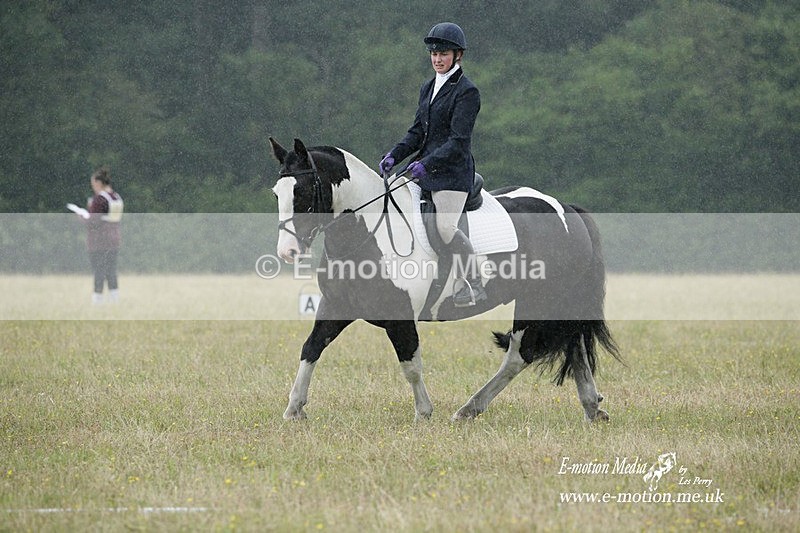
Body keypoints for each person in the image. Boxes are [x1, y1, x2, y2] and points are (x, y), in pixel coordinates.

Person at [379, 22, 486, 307]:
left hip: (452, 174)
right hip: (423, 170)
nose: (437, 59)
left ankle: (474, 281)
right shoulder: (428, 87)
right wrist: (395, 154)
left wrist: (426, 164)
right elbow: (417, 132)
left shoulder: (467, 91)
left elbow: (458, 141)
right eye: (434, 54)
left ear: (458, 55)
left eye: (444, 54)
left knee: (445, 227)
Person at [83, 167, 123, 304]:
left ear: (99, 183)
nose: (93, 188)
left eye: (93, 185)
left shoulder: (100, 199)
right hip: (114, 239)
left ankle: (97, 302)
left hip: (99, 241)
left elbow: (93, 222)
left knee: (98, 272)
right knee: (111, 271)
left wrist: (83, 216)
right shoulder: (116, 197)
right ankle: (115, 301)